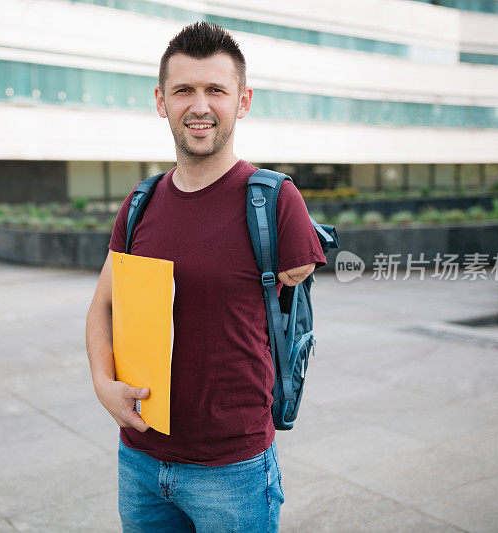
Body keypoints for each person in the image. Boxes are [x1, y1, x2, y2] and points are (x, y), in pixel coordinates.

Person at [85, 21, 327, 532]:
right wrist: (103, 384)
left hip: (234, 470)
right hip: (141, 462)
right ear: (160, 100)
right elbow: (102, 308)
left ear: (242, 101)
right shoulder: (139, 203)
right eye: (183, 90)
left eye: (216, 89)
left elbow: (301, 273)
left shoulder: (274, 199)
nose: (199, 105)